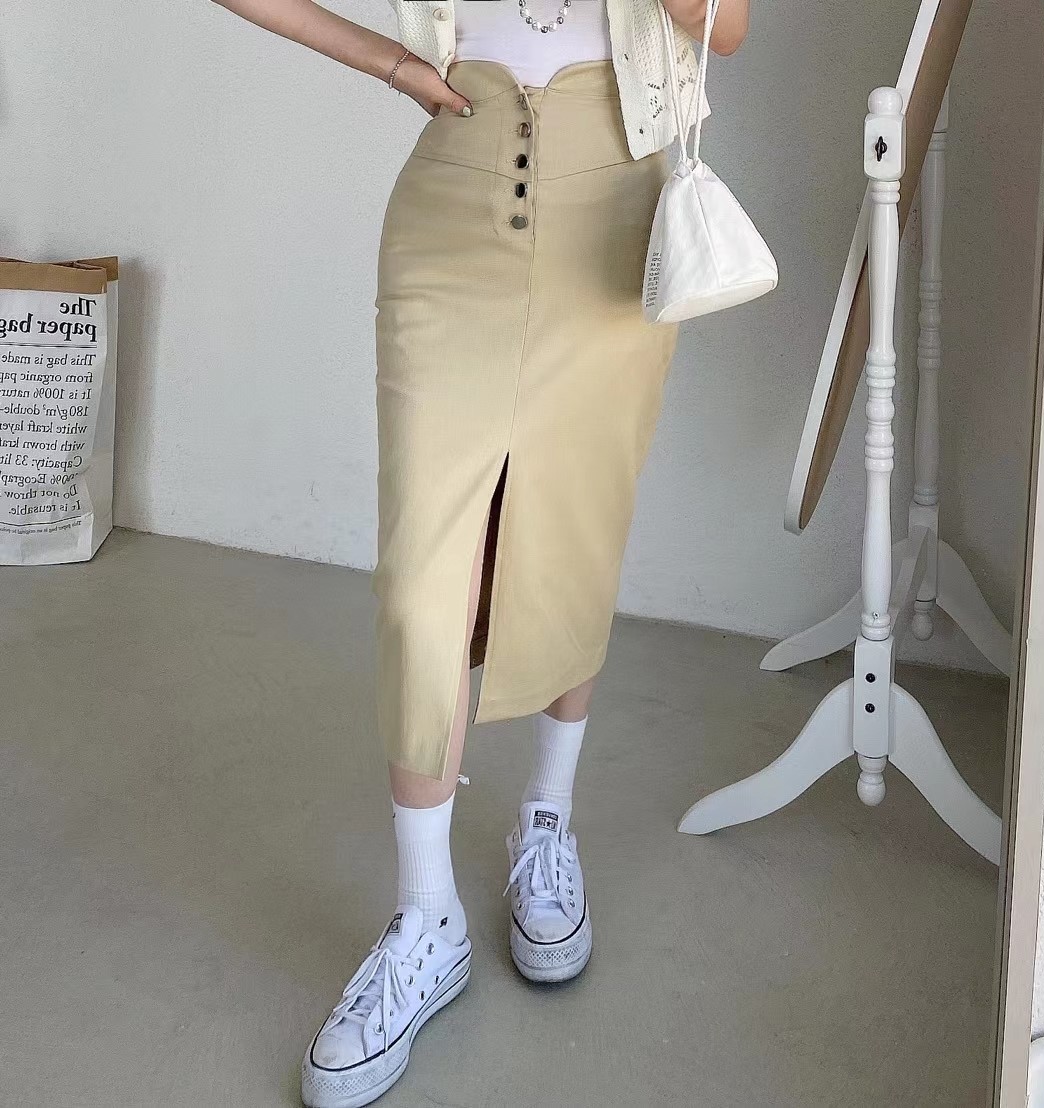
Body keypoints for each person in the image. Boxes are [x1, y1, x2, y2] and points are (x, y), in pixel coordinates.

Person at [209, 1, 750, 1104]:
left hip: (617, 194)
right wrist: (389, 62)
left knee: (569, 533)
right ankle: (426, 918)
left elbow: (726, 26)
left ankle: (546, 822)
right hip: (452, 203)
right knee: (425, 582)